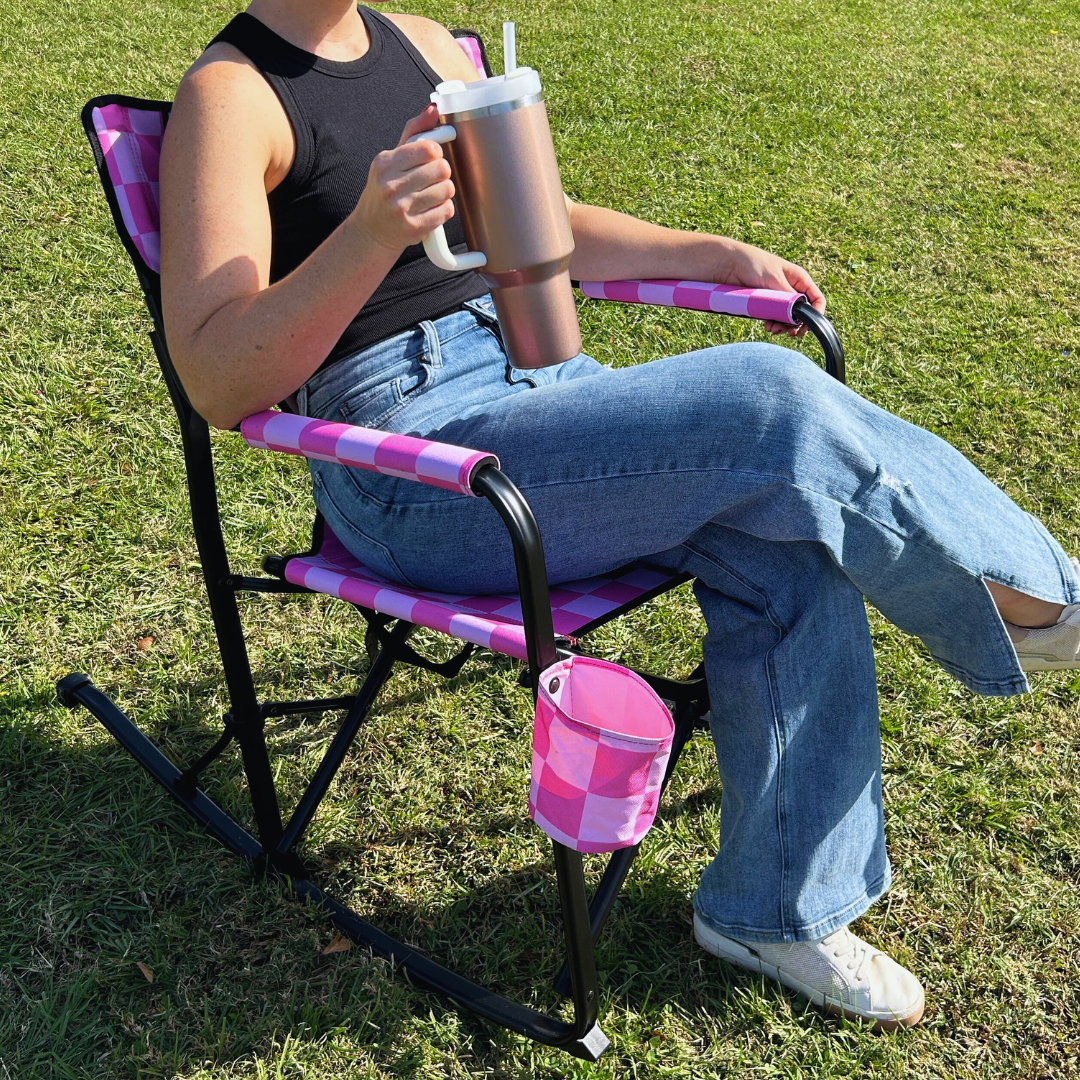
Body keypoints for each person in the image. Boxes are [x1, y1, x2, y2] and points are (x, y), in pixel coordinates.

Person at [159, 0, 1080, 1032]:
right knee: (773, 404)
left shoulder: (415, 39)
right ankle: (1037, 604)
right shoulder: (231, 98)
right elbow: (215, 374)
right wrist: (374, 233)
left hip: (538, 387)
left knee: (783, 531)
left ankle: (775, 911)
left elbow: (530, 222)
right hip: (410, 463)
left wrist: (707, 250)